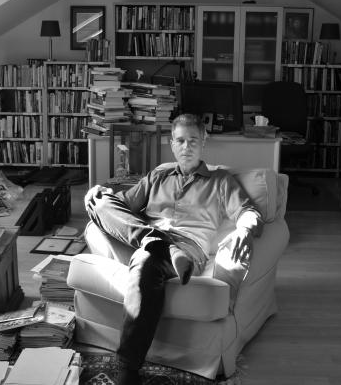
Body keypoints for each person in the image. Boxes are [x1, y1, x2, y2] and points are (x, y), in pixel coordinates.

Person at [84, 113, 263, 384]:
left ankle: (127, 368)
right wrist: (98, 195)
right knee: (98, 201)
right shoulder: (158, 175)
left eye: (193, 140)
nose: (187, 146)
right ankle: (156, 242)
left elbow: (249, 212)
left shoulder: (221, 180)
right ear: (172, 144)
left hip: (188, 248)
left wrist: (245, 229)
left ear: (204, 142)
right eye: (180, 140)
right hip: (152, 240)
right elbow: (121, 207)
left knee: (145, 260)